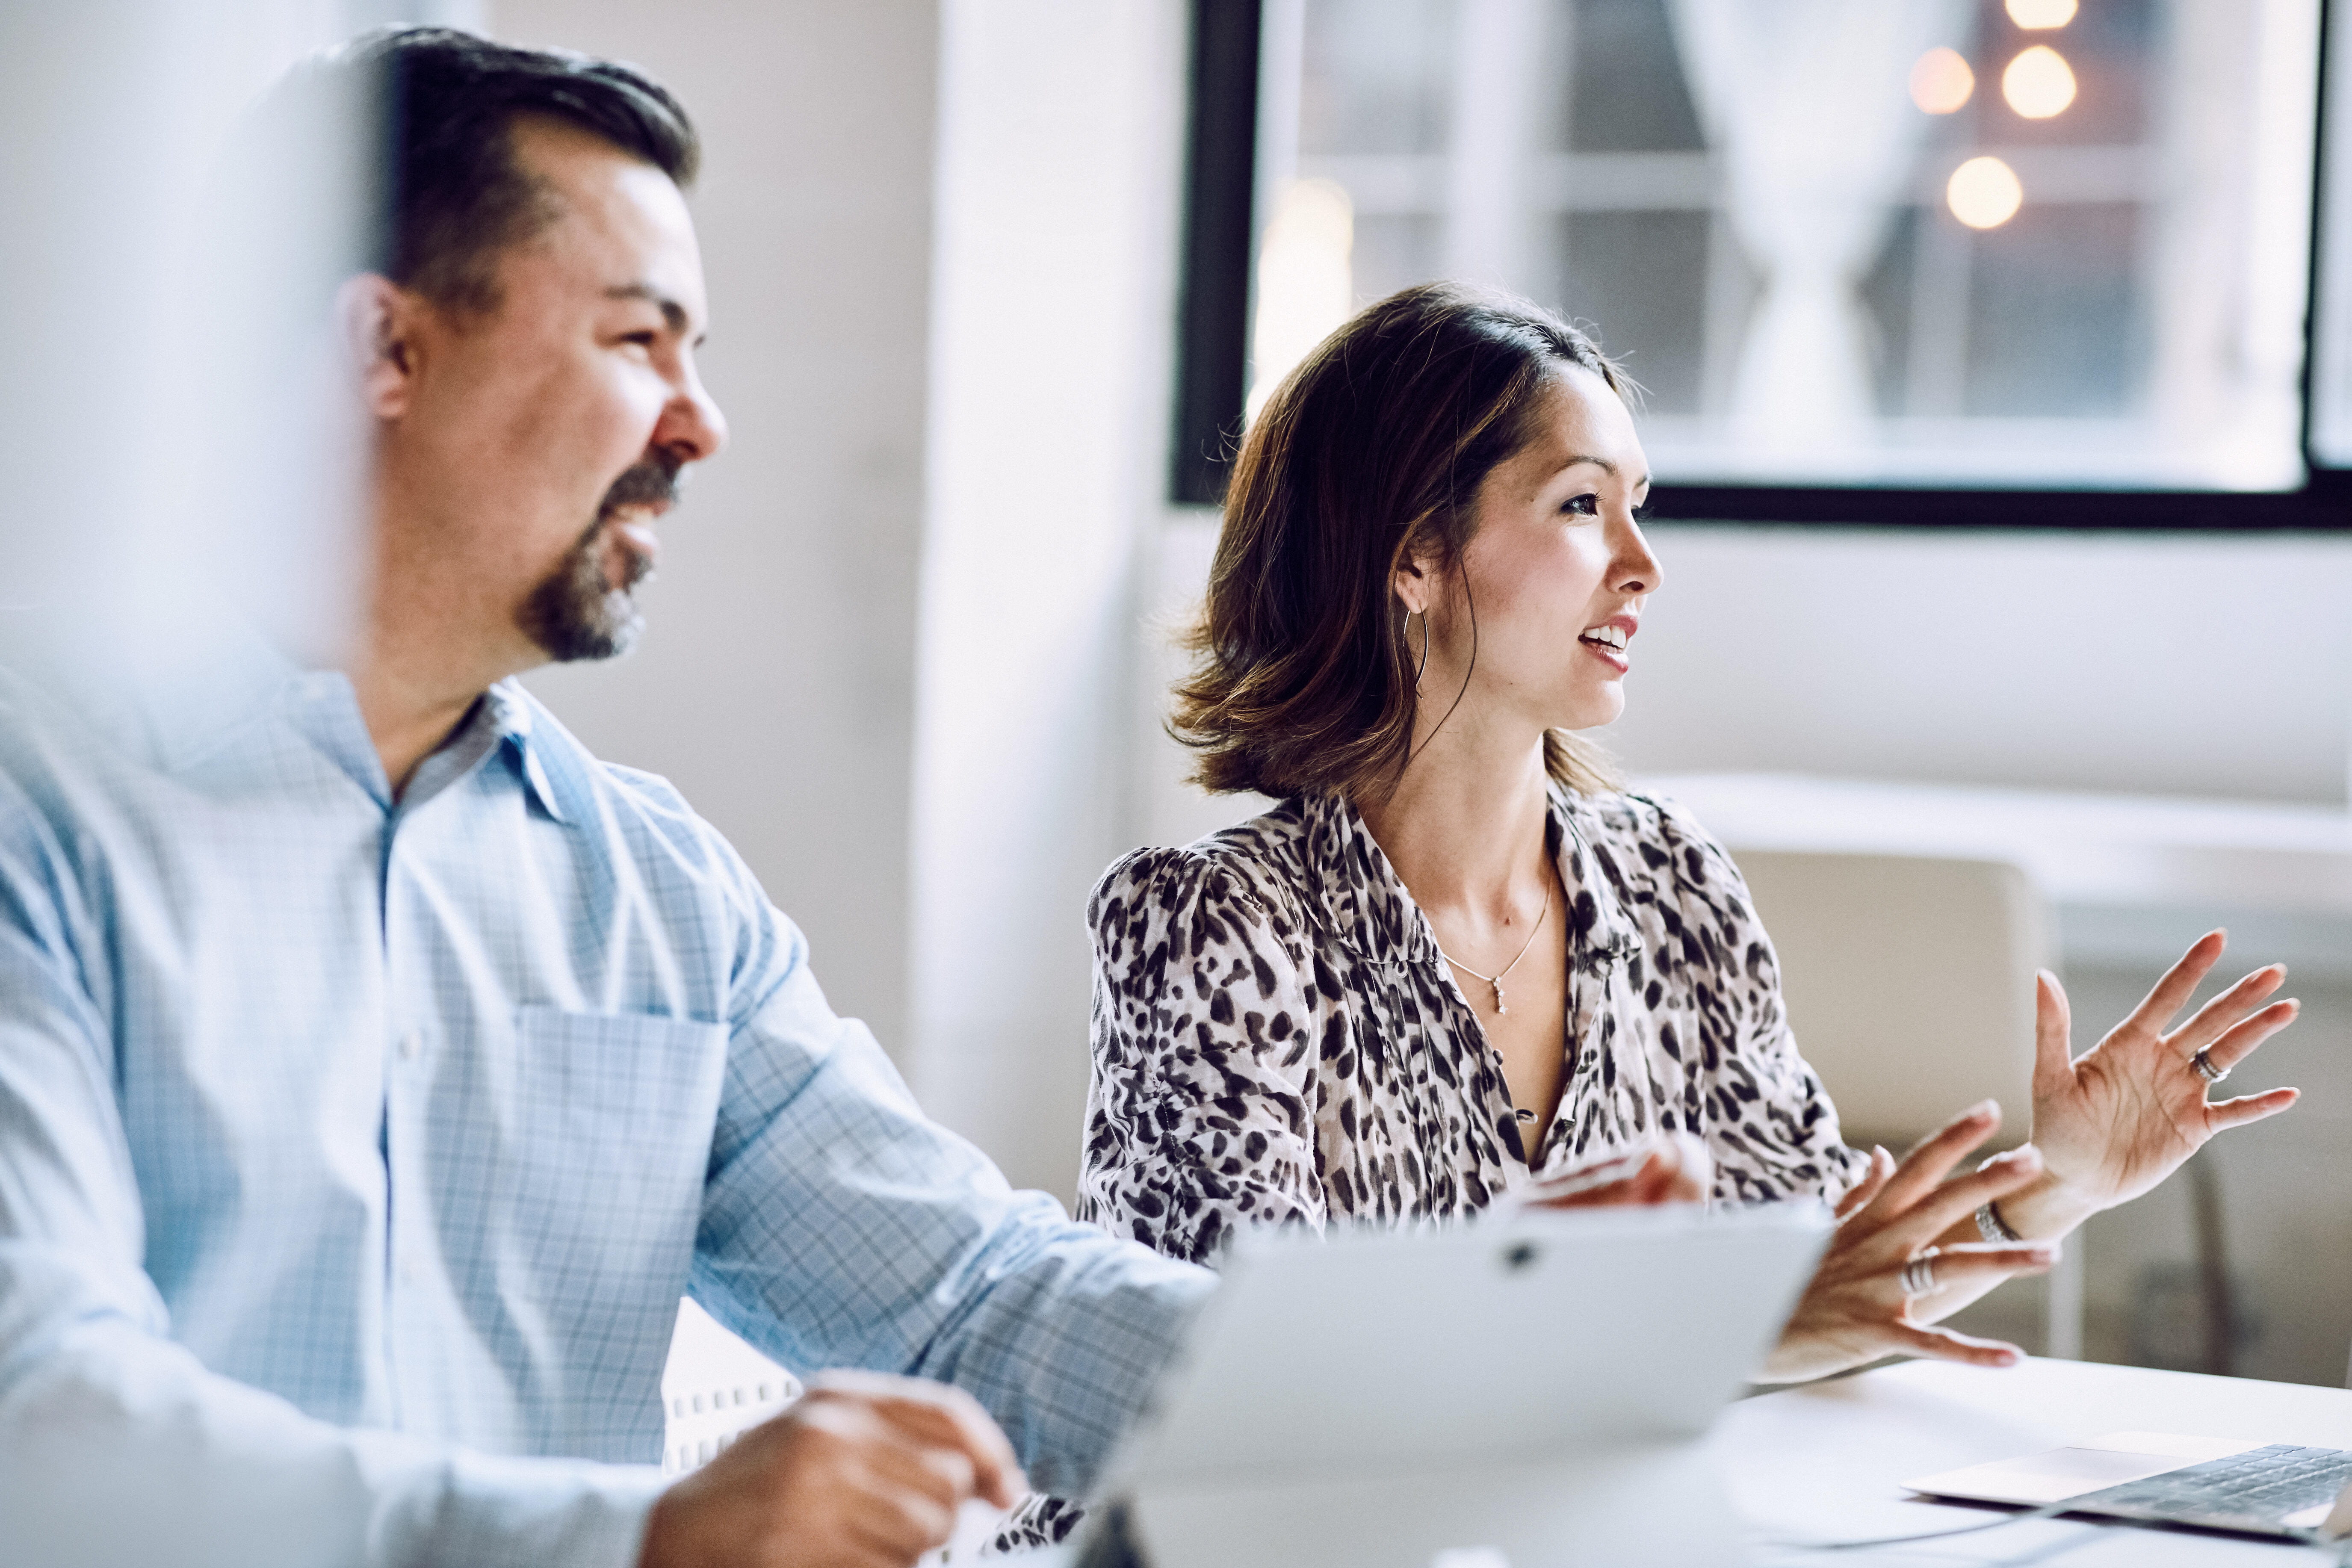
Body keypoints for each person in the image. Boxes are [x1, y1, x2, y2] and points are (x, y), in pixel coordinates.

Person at [0, 30, 1222, 1568]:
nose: (700, 422)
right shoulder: (36, 803)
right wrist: (644, 1532)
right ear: (382, 350)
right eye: (642, 342)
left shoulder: (649, 890)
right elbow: (42, 1414)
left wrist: (1470, 1353)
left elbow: (974, 1297)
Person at [1074, 281, 2302, 1380]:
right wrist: (1734, 1339)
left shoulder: (1666, 880)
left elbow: (1827, 1275)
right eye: (1579, 505)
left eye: (1637, 507)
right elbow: (1227, 1389)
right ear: (1414, 556)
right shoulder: (1213, 926)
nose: (1643, 564)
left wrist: (2056, 1187)